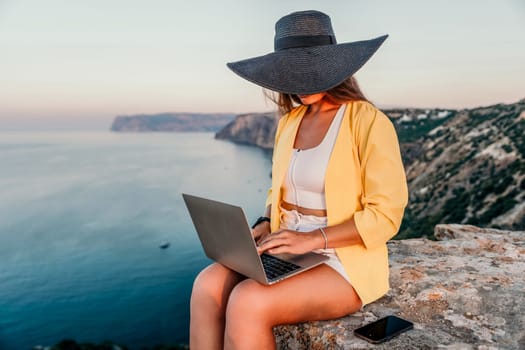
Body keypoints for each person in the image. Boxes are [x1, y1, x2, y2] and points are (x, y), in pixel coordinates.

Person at [190, 10, 408, 350]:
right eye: (292, 74)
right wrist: (265, 221)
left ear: (335, 68)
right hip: (287, 246)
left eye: (310, 72)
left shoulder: (368, 122)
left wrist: (313, 240)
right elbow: (279, 189)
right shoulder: (289, 122)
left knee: (248, 302)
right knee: (206, 285)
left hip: (342, 259)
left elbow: (386, 217)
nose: (300, 84)